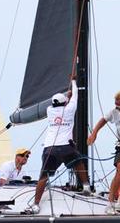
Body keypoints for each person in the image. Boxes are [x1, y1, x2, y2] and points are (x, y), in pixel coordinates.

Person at [23, 77, 92, 214]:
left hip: (50, 148)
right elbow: (75, 95)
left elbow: (61, 102)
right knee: (79, 162)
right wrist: (73, 82)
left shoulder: (49, 110)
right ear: (65, 103)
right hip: (66, 147)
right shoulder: (70, 109)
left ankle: (36, 204)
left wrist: (67, 97)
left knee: (44, 176)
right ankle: (86, 186)